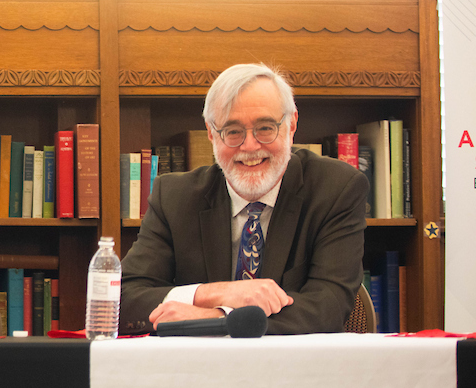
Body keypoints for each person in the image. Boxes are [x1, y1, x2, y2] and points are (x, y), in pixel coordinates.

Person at [120, 63, 368, 335]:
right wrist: (219, 293)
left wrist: (217, 317)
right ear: (212, 134)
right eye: (233, 131)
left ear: (292, 124)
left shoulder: (336, 189)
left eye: (265, 127)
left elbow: (327, 308)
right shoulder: (174, 197)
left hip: (295, 370)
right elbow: (124, 301)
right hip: (196, 371)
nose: (249, 146)